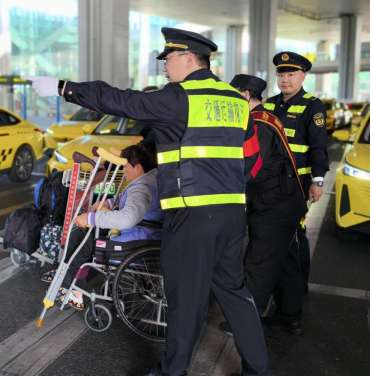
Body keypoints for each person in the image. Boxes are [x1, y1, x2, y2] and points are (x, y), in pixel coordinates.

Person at [24, 27, 270, 376]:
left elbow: (121, 100)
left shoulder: (179, 97)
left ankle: (172, 372)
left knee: (185, 301)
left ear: (189, 59)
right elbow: (252, 160)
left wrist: (64, 88)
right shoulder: (236, 101)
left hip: (191, 215)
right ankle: (258, 371)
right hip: (231, 214)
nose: (164, 67)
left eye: (168, 59)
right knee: (235, 293)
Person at [219, 74, 308, 337]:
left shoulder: (258, 124)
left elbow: (251, 166)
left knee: (259, 261)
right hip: (284, 200)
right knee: (285, 262)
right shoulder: (267, 118)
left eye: (233, 95)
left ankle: (243, 323)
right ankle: (289, 317)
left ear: (245, 95)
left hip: (274, 204)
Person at [42, 145, 164, 310]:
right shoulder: (146, 182)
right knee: (80, 236)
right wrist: (108, 202)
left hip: (137, 239)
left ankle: (72, 290)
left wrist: (91, 218)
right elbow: (127, 201)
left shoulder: (141, 189)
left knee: (84, 243)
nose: (123, 170)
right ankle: (65, 278)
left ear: (138, 167)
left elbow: (128, 218)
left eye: (125, 166)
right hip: (139, 234)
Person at [263, 53, 329, 297]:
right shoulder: (269, 104)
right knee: (269, 232)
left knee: (295, 234)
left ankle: (298, 285)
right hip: (268, 182)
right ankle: (275, 282)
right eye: (281, 74)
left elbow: (319, 147)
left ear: (303, 76)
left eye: (291, 74)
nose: (285, 79)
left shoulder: (313, 105)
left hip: (297, 184)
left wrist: (318, 181)